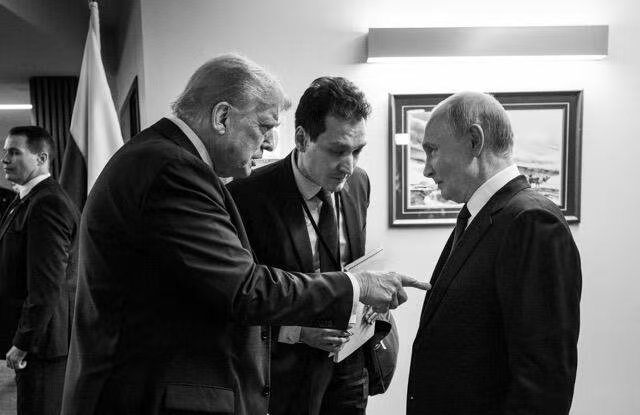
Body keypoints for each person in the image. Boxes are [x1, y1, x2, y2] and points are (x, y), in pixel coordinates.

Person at [61, 54, 427, 415]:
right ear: (222, 117)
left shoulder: (164, 159)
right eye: (265, 126)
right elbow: (244, 290)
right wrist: (357, 286)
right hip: (150, 395)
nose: (269, 143)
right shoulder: (173, 170)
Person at [407, 91, 582, 415]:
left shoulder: (531, 221)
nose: (426, 170)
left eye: (432, 150)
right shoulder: (482, 216)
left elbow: (543, 382)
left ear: (475, 141)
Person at [229, 76, 387, 415]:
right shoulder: (246, 196)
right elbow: (239, 296)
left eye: (357, 151)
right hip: (284, 375)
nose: (349, 166)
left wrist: (369, 299)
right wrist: (297, 331)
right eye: (338, 151)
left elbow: (351, 264)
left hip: (351, 364)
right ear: (301, 138)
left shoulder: (359, 183)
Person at [0, 126, 79, 415]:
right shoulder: (26, 199)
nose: (5, 159)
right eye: (5, 152)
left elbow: (47, 285)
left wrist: (24, 341)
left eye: (14, 152)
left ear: (41, 158)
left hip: (43, 345)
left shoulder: (48, 203)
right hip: (36, 341)